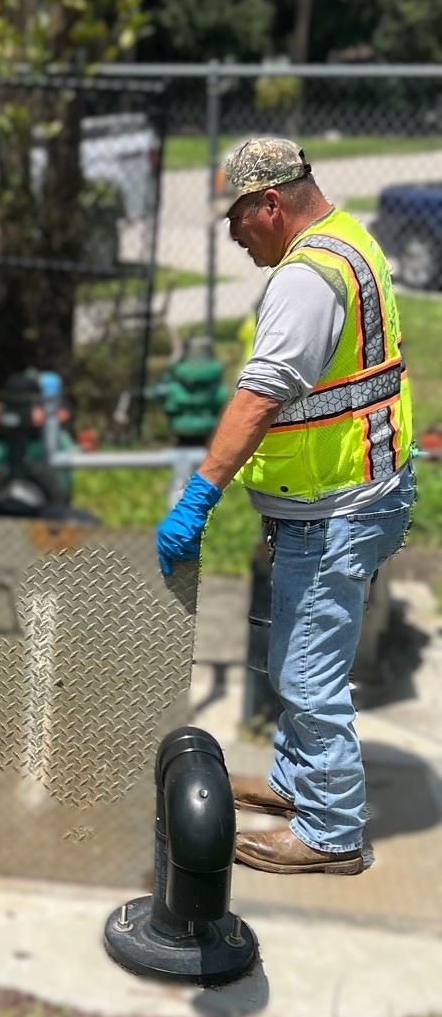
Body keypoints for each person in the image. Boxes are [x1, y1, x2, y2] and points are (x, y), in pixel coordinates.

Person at [156, 137, 416, 876]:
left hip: (335, 506)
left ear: (271, 203)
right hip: (360, 485)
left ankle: (331, 830)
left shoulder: (307, 280)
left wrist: (199, 494)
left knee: (307, 673)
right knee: (295, 655)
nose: (234, 234)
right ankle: (298, 784)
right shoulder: (348, 238)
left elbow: (264, 391)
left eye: (238, 217)